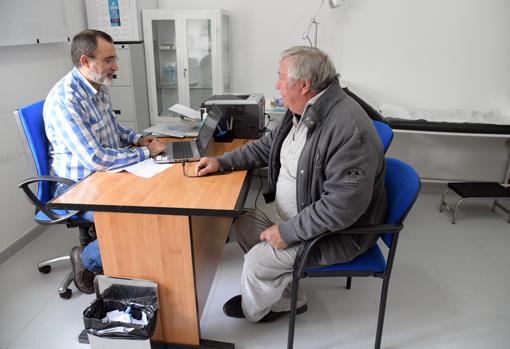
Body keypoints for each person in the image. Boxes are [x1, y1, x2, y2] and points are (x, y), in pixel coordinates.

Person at [195, 46, 387, 323]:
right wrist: (222, 162)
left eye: (281, 77)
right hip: (298, 210)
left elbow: (342, 207)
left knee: (257, 261)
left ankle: (255, 312)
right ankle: (290, 299)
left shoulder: (347, 128)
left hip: (340, 232)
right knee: (246, 225)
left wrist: (288, 231)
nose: (276, 85)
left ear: (304, 85)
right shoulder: (302, 109)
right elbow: (267, 147)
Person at [44, 29, 166, 294]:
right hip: (77, 187)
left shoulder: (97, 87)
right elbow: (97, 157)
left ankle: (125, 255)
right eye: (109, 60)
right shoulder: (66, 100)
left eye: (115, 59)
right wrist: (148, 153)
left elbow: (113, 129)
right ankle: (86, 259)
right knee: (140, 216)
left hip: (103, 176)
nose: (116, 65)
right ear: (86, 61)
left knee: (159, 200)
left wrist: (140, 139)